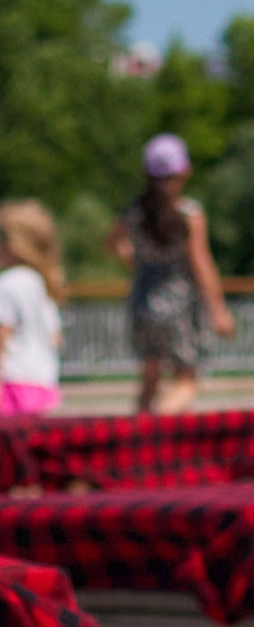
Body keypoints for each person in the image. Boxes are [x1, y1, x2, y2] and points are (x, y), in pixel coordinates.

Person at [108, 133, 234, 415]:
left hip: (141, 301)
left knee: (149, 381)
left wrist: (129, 256)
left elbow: (111, 241)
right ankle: (155, 427)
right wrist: (218, 310)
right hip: (178, 304)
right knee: (187, 382)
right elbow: (201, 265)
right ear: (184, 171)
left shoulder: (134, 211)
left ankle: (137, 444)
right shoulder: (188, 212)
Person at [0, 200, 65, 419]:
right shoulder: (45, 283)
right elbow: (55, 338)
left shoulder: (5, 282)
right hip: (43, 381)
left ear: (11, 244)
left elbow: (2, 333)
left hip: (13, 379)